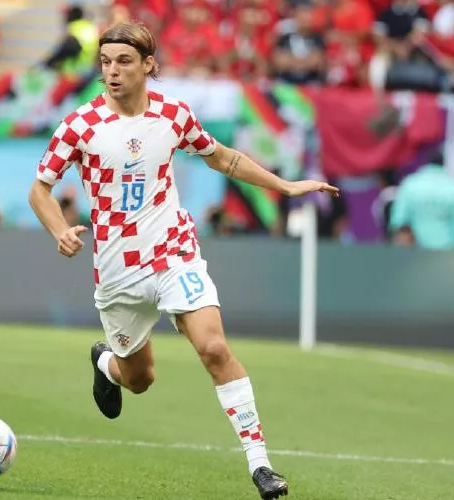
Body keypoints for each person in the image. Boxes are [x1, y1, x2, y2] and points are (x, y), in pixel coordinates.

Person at [28, 21, 339, 500]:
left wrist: (285, 186)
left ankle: (260, 464)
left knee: (213, 348)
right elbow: (40, 189)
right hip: (118, 271)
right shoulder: (80, 125)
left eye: (123, 61)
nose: (112, 71)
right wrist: (59, 230)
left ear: (148, 64)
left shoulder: (173, 115)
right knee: (140, 379)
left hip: (175, 253)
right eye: (106, 62)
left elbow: (222, 157)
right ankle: (107, 364)